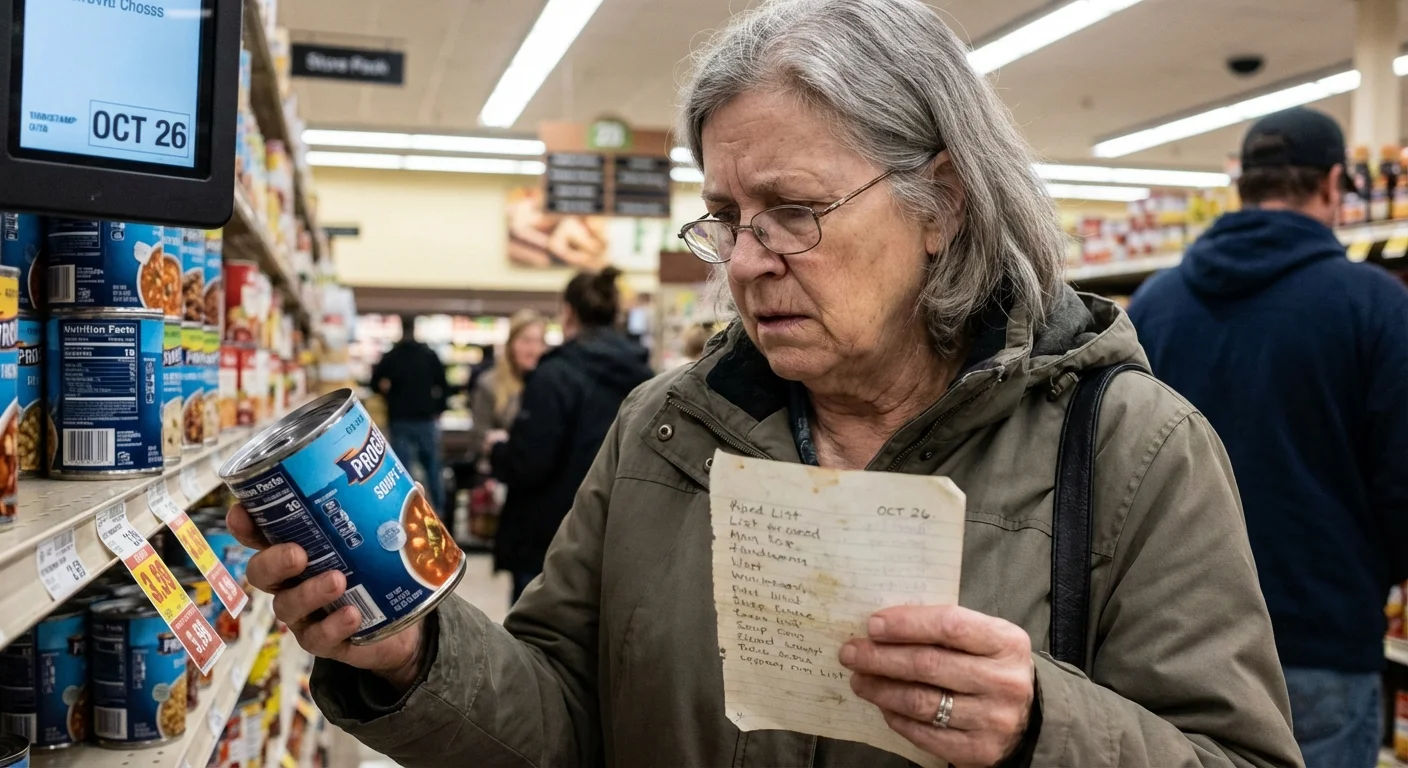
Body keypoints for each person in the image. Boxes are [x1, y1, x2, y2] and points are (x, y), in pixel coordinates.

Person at [229, 1, 1302, 765]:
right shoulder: (664, 431)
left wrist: (1038, 730)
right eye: (728, 220)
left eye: (794, 210)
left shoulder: (1132, 450)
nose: (745, 261)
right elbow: (560, 717)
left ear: (946, 204)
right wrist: (415, 652)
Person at [1128, 107, 1408, 767]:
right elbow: (1402, 482)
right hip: (1322, 637)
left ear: (1242, 183)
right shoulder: (1374, 306)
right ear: (1336, 183)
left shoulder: (1155, 307)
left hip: (1172, 639)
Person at [485, 268, 653, 601]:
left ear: (567, 311)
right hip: (617, 529)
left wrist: (500, 452)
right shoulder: (644, 374)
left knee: (534, 643)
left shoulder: (554, 374)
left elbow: (530, 463)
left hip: (550, 535)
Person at [370, 314, 449, 515]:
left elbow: (374, 383)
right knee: (432, 469)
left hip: (400, 419)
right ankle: (439, 513)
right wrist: (437, 408)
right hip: (425, 419)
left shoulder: (392, 356)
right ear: (415, 329)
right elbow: (444, 385)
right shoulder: (428, 354)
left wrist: (388, 393)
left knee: (402, 473)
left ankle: (404, 513)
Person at [466, 309, 548, 457]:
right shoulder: (489, 383)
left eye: (539, 341)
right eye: (526, 341)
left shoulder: (551, 384)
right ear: (511, 344)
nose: (533, 349)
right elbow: (478, 436)